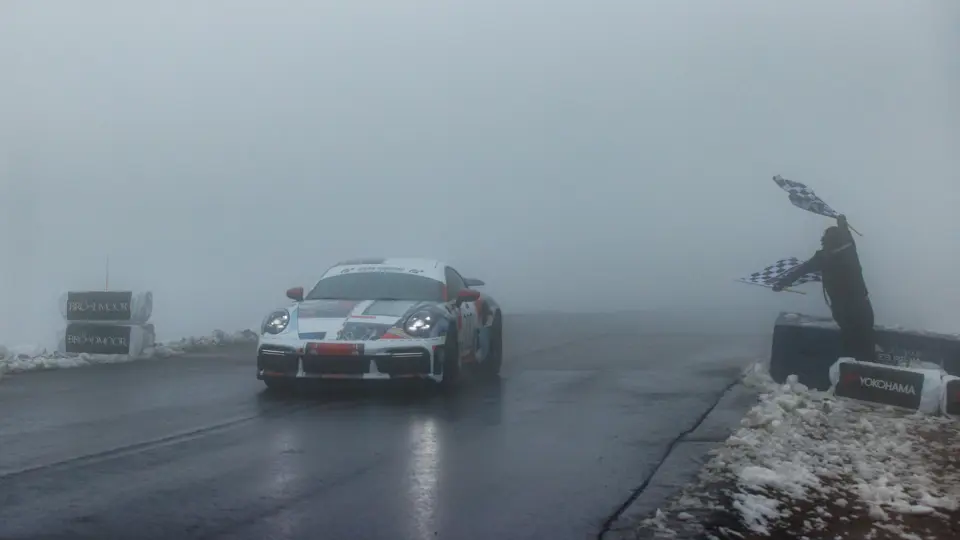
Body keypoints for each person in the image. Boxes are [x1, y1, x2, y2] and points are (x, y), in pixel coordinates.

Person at [772, 214, 876, 363]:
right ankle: (868, 366)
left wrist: (781, 283)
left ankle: (854, 365)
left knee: (851, 339)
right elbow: (846, 234)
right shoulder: (848, 249)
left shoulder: (823, 257)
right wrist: (842, 223)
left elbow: (801, 270)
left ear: (825, 242)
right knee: (865, 338)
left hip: (844, 308)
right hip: (860, 305)